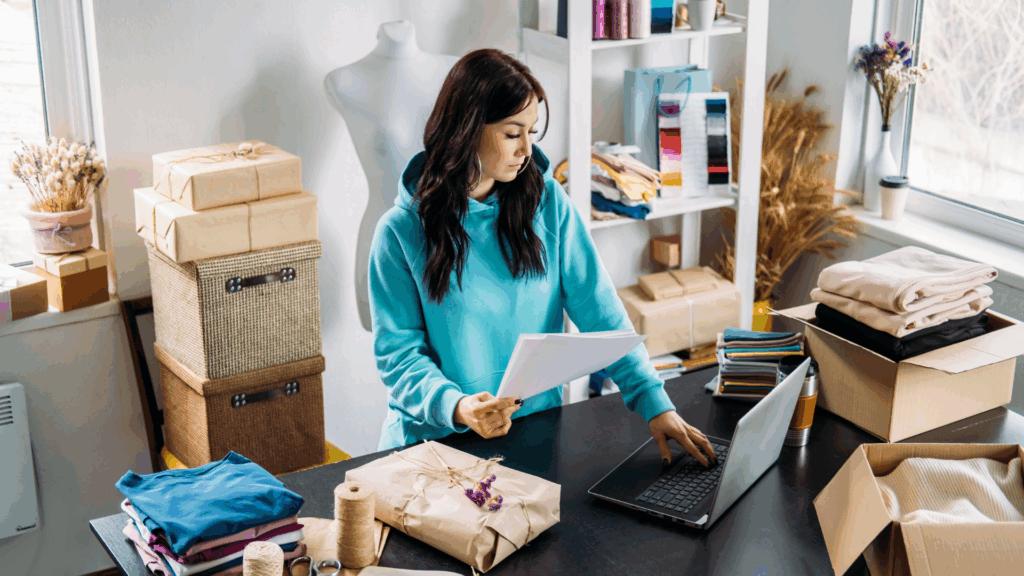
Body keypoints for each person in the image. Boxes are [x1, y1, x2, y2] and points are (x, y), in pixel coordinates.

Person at [368, 48, 717, 468]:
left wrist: (654, 403)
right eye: (513, 134)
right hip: (435, 445)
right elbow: (399, 357)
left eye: (533, 132)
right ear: (466, 130)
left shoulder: (548, 203)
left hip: (532, 432)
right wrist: (459, 407)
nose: (527, 150)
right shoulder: (399, 232)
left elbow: (600, 312)